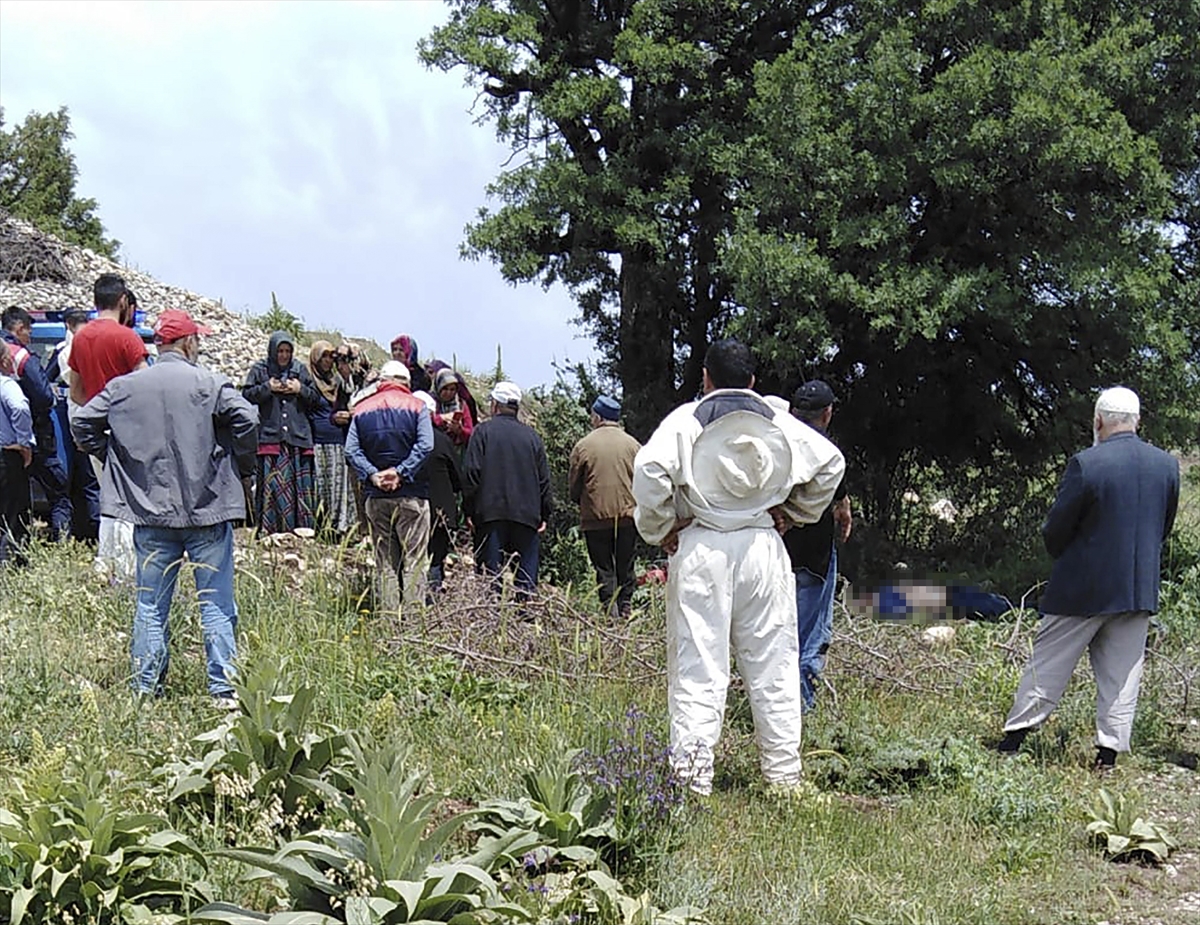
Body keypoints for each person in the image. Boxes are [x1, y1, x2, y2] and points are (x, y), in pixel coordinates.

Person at [632, 339, 845, 796]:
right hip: (763, 545)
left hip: (703, 543)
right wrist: (796, 511)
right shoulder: (777, 420)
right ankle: (784, 779)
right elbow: (830, 463)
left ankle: (691, 783)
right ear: (752, 380)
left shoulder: (686, 419)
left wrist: (661, 527)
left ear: (705, 377)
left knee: (699, 666)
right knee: (775, 665)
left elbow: (649, 470)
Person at [71, 310, 258, 705]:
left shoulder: (125, 386)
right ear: (188, 342)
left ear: (159, 344)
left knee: (151, 604)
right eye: (198, 340)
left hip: (149, 510)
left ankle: (145, 690)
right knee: (216, 602)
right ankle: (223, 692)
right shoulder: (209, 382)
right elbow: (247, 418)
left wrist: (115, 457)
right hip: (207, 507)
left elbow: (83, 421)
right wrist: (240, 465)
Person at [996, 387, 1180, 770]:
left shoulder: (1087, 463)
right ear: (1137, 420)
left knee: (1048, 664)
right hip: (1137, 588)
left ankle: (1013, 743)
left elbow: (1056, 529)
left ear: (1098, 421)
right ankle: (1107, 758)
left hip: (1082, 588)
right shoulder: (1166, 465)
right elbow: (1164, 526)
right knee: (1122, 674)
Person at [68, 274, 150, 580]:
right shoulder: (127, 338)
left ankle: (107, 564)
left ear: (95, 301)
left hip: (95, 430)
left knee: (108, 497)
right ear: (122, 301)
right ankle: (128, 572)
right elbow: (145, 386)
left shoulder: (81, 337)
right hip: (128, 431)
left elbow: (75, 392)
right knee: (131, 499)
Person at [784, 380, 852, 711]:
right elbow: (840, 505)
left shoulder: (774, 443)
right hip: (813, 559)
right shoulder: (828, 456)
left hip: (773, 555)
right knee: (809, 637)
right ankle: (799, 707)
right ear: (827, 413)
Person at [345, 361, 433, 612]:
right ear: (405, 382)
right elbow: (426, 445)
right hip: (412, 495)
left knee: (385, 563)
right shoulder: (418, 407)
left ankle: (388, 624)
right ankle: (414, 626)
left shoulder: (361, 409)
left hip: (376, 496)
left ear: (381, 381)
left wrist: (373, 475)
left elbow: (351, 450)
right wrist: (401, 472)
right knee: (414, 561)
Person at [464, 381, 553, 597]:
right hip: (527, 516)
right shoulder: (533, 438)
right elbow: (544, 480)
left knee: (490, 580)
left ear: (495, 405)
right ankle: (527, 623)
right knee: (526, 582)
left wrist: (469, 511)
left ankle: (491, 625)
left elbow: (471, 473)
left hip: (490, 514)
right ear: (517, 408)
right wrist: (544, 514)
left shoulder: (482, 432)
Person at [568, 395, 642, 618]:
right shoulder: (633, 445)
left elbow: (574, 485)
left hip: (595, 519)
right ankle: (626, 606)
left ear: (597, 417)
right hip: (628, 516)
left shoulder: (584, 445)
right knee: (625, 565)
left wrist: (580, 501)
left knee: (604, 568)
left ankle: (610, 612)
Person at [2, 306, 72, 540]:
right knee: (59, 493)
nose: (29, 338)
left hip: (6, 444)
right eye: (28, 333)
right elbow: (44, 396)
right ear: (19, 328)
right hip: (35, 439)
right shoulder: (20, 356)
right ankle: (62, 545)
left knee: (12, 503)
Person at [242, 331, 320, 535]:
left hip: (297, 437)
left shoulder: (299, 369)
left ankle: (301, 529)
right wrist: (268, 387)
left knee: (298, 486)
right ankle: (270, 529)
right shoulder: (261, 369)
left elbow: (315, 399)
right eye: (280, 351)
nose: (284, 356)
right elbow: (247, 394)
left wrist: (299, 389)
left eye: (287, 351)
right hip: (271, 436)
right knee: (273, 485)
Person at [46, 309, 100, 541]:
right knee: (94, 482)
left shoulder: (65, 350)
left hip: (76, 423)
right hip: (103, 422)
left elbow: (45, 380)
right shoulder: (101, 344)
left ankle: (77, 536)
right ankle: (98, 536)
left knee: (77, 482)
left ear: (67, 325)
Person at [413, 389, 463, 596]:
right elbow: (458, 479)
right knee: (435, 559)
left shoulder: (404, 437)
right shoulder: (442, 441)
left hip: (410, 508)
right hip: (440, 512)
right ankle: (432, 602)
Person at [306, 340, 357, 536]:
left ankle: (340, 528)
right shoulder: (309, 382)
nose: (327, 360)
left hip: (338, 441)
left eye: (330, 356)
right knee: (323, 486)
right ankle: (322, 527)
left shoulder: (337, 382)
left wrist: (343, 415)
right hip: (319, 442)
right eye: (323, 356)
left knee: (339, 487)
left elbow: (347, 398)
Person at [0, 345, 33, 565]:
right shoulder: (6, 385)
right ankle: (11, 567)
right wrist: (24, 443)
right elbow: (20, 408)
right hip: (6, 456)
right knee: (13, 515)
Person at [432, 366, 475, 449]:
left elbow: (470, 433)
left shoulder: (461, 405)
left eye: (452, 389)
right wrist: (441, 419)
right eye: (445, 388)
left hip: (453, 450)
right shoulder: (431, 402)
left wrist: (459, 430)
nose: (449, 393)